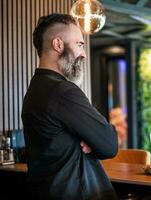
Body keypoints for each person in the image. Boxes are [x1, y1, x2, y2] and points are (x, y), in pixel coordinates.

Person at [22, 13, 118, 199]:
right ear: (58, 44)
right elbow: (109, 144)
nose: (83, 53)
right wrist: (95, 137)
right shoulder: (63, 91)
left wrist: (93, 138)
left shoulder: (35, 88)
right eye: (80, 44)